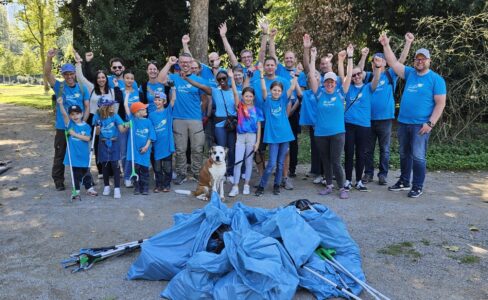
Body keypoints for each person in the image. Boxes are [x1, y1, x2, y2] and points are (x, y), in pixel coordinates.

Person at [379, 33, 446, 198]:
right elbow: (393, 63)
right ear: (414, 60)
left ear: (429, 61)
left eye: (423, 59)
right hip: (403, 123)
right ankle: (404, 181)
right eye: (417, 58)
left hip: (421, 125)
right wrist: (386, 45)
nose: (420, 61)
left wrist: (430, 123)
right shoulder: (410, 73)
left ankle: (417, 186)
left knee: (418, 156)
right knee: (404, 154)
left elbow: (440, 104)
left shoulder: (436, 79)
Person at [304, 34, 352, 199]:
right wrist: (312, 57)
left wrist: (350, 57)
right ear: (324, 83)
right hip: (321, 134)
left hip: (338, 133)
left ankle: (342, 188)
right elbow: (311, 74)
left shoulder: (341, 94)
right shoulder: (319, 94)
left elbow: (348, 75)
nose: (330, 84)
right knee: (325, 160)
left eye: (332, 82)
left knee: (336, 161)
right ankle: (329, 185)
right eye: (327, 82)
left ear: (335, 83)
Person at [362, 33, 414, 185]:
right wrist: (363, 57)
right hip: (368, 119)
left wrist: (408, 43)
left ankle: (383, 175)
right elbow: (356, 71)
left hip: (385, 119)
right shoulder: (369, 76)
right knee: (368, 150)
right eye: (374, 61)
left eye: (378, 60)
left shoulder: (391, 74)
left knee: (384, 149)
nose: (375, 63)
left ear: (385, 63)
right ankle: (368, 174)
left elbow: (401, 61)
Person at [44, 48, 90, 191]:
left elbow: (87, 107)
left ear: (75, 74)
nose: (69, 76)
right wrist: (49, 58)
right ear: (63, 75)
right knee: (60, 154)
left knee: (80, 152)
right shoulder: (60, 86)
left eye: (71, 73)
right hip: (62, 127)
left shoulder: (82, 88)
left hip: (78, 127)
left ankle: (85, 179)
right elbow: (47, 74)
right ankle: (58, 181)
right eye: (66, 74)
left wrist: (82, 123)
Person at [158, 53, 207, 184]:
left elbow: (205, 98)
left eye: (188, 62)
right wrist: (169, 63)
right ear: (179, 63)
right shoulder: (174, 78)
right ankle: (181, 173)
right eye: (182, 62)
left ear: (192, 63)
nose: (185, 64)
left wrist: (200, 114)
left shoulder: (199, 80)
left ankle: (197, 172)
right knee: (180, 149)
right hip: (178, 119)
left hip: (195, 119)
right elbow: (160, 79)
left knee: (197, 148)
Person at [74, 50, 123, 178]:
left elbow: (116, 105)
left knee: (110, 142)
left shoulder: (112, 91)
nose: (101, 79)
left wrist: (113, 119)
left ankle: (112, 168)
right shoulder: (91, 89)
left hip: (109, 120)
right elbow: (80, 77)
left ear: (106, 79)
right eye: (99, 77)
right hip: (94, 119)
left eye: (103, 77)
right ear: (96, 79)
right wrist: (78, 63)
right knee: (97, 143)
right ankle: (101, 169)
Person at [182, 70, 237, 180]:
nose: (222, 80)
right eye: (219, 79)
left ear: (228, 79)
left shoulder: (235, 91)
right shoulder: (215, 91)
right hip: (220, 124)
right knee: (221, 149)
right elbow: (200, 86)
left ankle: (230, 172)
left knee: (232, 148)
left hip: (232, 123)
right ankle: (222, 173)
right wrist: (187, 79)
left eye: (224, 78)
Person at [338, 50, 380, 192]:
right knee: (349, 152)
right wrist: (347, 58)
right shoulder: (348, 88)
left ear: (362, 74)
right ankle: (348, 180)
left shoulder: (368, 87)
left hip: (364, 126)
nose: (356, 76)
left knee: (361, 153)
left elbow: (376, 80)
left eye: (358, 74)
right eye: (354, 74)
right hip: (349, 124)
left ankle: (359, 181)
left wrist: (378, 67)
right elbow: (344, 75)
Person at [255, 65, 298, 197]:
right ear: (271, 90)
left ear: (281, 92)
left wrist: (296, 75)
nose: (277, 92)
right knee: (272, 163)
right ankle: (262, 186)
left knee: (280, 163)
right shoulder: (267, 101)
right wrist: (261, 74)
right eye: (274, 90)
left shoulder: (283, 100)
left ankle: (276, 185)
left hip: (285, 135)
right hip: (273, 136)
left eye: (279, 90)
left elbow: (291, 88)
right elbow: (263, 89)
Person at [227, 69, 263, 197]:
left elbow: (259, 127)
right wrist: (231, 77)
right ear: (243, 97)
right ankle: (235, 186)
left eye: (250, 96)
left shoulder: (257, 110)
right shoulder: (240, 107)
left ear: (253, 97)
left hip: (252, 137)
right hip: (241, 137)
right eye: (246, 96)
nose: (248, 98)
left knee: (249, 162)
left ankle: (246, 184)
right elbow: (235, 93)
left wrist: (258, 142)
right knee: (238, 161)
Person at [56, 99, 97, 200]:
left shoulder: (86, 126)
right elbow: (64, 115)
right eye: (72, 114)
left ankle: (89, 188)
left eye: (77, 114)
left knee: (86, 171)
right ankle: (76, 190)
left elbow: (88, 138)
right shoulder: (70, 125)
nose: (75, 116)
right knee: (76, 173)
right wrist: (61, 104)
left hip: (83, 154)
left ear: (82, 114)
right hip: (73, 154)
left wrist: (74, 134)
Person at [92, 98, 128, 199]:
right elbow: (97, 133)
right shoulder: (97, 116)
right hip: (103, 143)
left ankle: (117, 188)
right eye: (110, 105)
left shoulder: (115, 116)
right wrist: (98, 127)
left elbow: (121, 130)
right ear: (104, 107)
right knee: (105, 166)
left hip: (114, 142)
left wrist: (128, 125)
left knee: (115, 165)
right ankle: (106, 186)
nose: (113, 107)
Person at [126, 102, 156, 195]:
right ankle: (137, 187)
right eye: (143, 109)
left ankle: (145, 187)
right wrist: (126, 96)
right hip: (135, 152)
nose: (145, 110)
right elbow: (126, 107)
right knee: (135, 170)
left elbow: (151, 135)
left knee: (144, 170)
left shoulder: (148, 121)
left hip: (145, 151)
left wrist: (146, 146)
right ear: (137, 112)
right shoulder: (133, 120)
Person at [148, 91, 175, 193]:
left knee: (167, 167)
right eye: (156, 99)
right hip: (156, 146)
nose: (157, 101)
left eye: (159, 100)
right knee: (157, 167)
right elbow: (150, 129)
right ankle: (158, 184)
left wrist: (173, 87)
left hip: (167, 145)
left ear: (164, 101)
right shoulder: (151, 115)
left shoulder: (168, 111)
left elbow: (173, 100)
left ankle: (167, 184)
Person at [121, 69, 142, 188]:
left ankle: (135, 175)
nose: (129, 80)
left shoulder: (137, 92)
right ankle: (126, 176)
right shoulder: (120, 92)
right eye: (127, 78)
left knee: (135, 150)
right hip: (125, 125)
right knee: (125, 152)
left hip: (136, 124)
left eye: (131, 78)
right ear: (124, 79)